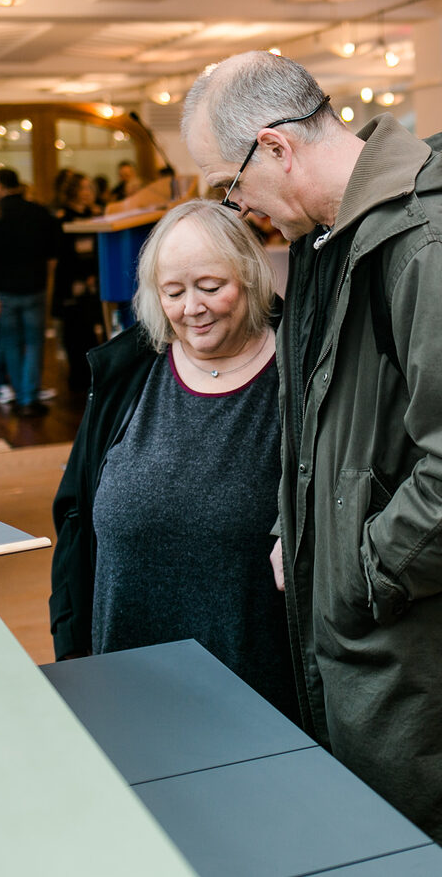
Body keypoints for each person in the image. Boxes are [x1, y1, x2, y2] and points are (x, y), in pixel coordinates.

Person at [181, 51, 442, 877]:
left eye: (230, 185)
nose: (240, 208)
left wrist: (363, 568)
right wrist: (297, 529)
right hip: (392, 641)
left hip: (436, 649)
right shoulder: (338, 239)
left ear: (276, 148)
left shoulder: (426, 239)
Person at [49, 200, 296, 720]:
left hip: (258, 699)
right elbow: (74, 514)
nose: (192, 308)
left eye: (210, 286)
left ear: (250, 277)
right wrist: (71, 643)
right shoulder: (127, 372)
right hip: (127, 683)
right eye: (173, 292)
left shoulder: (301, 372)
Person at [0, 167, 62, 417]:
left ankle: (18, 395)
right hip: (35, 287)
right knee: (35, 342)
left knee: (10, 343)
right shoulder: (38, 212)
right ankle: (30, 396)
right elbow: (53, 255)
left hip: (4, 289)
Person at [52, 171, 105, 395]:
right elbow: (63, 256)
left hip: (93, 285)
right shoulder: (63, 218)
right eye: (83, 188)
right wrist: (83, 276)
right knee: (75, 333)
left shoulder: (95, 215)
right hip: (73, 286)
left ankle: (93, 378)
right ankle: (79, 380)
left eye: (89, 188)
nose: (88, 193)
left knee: (94, 332)